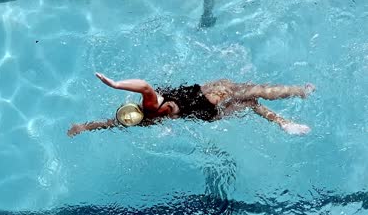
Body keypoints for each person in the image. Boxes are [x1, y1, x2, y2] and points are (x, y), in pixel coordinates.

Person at [67, 73, 315, 137]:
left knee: (250, 103)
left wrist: (84, 127)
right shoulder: (150, 107)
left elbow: (110, 124)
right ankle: (299, 92)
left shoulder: (145, 121)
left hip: (206, 115)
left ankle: (284, 123)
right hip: (207, 98)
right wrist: (116, 84)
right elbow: (144, 85)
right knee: (250, 90)